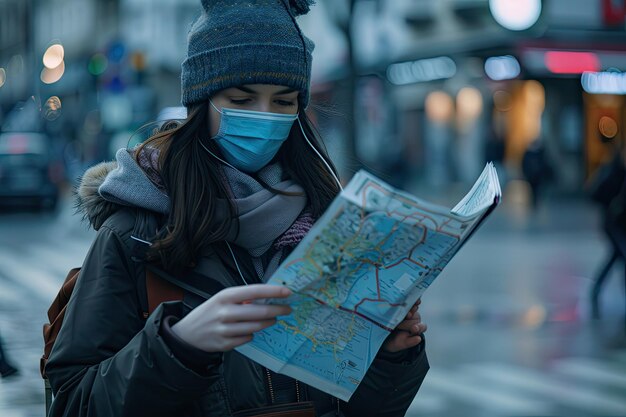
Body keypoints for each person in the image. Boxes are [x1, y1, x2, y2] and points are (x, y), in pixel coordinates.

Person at [45, 1, 429, 416]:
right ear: (200, 101)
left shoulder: (331, 224)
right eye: (242, 99)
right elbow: (73, 402)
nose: (265, 117)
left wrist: (391, 355)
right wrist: (177, 345)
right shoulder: (134, 232)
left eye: (283, 102)